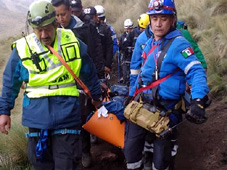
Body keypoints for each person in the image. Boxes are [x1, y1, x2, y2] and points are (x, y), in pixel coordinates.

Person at [0, 1, 103, 170]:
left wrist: (96, 97)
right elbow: (10, 81)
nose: (43, 34)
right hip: (36, 116)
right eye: (38, 30)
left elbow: (88, 70)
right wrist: (4, 111)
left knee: (66, 163)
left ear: (55, 23)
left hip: (67, 112)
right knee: (39, 162)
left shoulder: (71, 40)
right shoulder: (22, 48)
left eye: (47, 28)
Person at [123, 0, 210, 169]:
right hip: (142, 107)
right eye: (154, 18)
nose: (158, 23)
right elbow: (141, 74)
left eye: (163, 18)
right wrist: (132, 94)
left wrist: (198, 99)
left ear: (172, 20)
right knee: (131, 155)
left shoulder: (179, 44)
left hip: (166, 112)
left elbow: (196, 71)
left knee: (162, 162)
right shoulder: (149, 43)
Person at [51, 0, 105, 79]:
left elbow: (96, 51)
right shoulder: (53, 31)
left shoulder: (86, 27)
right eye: (57, 15)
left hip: (86, 76)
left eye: (63, 14)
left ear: (70, 10)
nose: (60, 19)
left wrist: (100, 76)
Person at [122, 13, 150, 86]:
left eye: (144, 28)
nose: (142, 30)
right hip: (132, 59)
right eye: (141, 28)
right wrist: (129, 50)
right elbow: (124, 45)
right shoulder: (132, 33)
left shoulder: (152, 36)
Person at [94, 5, 114, 76]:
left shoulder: (106, 29)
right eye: (99, 18)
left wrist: (108, 64)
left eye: (102, 18)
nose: (100, 20)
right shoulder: (87, 28)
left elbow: (110, 47)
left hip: (103, 64)